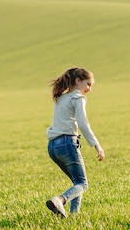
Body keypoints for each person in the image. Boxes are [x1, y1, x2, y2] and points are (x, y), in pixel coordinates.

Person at [45, 67, 105, 218]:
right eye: (88, 84)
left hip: (53, 147)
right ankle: (59, 200)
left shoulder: (60, 98)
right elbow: (83, 123)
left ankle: (74, 216)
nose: (89, 89)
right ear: (78, 81)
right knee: (82, 184)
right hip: (67, 144)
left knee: (76, 183)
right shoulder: (78, 98)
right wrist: (97, 145)